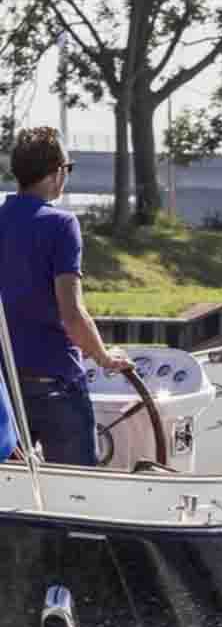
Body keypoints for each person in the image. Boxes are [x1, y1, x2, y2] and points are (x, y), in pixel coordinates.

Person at [0, 125, 131, 465]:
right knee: (77, 492)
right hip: (56, 384)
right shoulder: (61, 225)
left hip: (6, 387)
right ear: (57, 172)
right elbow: (71, 314)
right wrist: (104, 358)